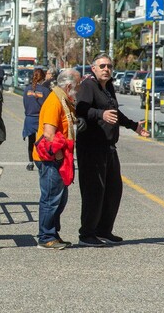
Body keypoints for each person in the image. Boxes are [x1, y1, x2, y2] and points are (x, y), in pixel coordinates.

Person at [75, 53, 149, 247]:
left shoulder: (107, 87)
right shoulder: (87, 86)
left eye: (109, 66)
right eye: (102, 66)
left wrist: (134, 126)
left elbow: (115, 113)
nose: (106, 69)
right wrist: (100, 114)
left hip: (108, 147)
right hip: (91, 147)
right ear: (93, 68)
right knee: (94, 191)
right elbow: (79, 110)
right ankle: (86, 234)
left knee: (114, 190)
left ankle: (103, 230)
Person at [32, 69, 81, 250]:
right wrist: (60, 158)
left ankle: (52, 233)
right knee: (51, 198)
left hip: (59, 158)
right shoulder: (54, 101)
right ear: (69, 86)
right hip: (51, 158)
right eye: (78, 85)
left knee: (59, 198)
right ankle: (45, 237)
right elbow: (49, 134)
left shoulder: (63, 100)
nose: (79, 89)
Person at [22, 68, 50, 171]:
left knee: (31, 141)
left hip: (29, 118)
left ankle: (30, 162)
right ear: (42, 78)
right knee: (42, 141)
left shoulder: (26, 89)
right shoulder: (46, 91)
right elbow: (48, 106)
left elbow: (25, 103)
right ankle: (41, 160)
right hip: (40, 119)